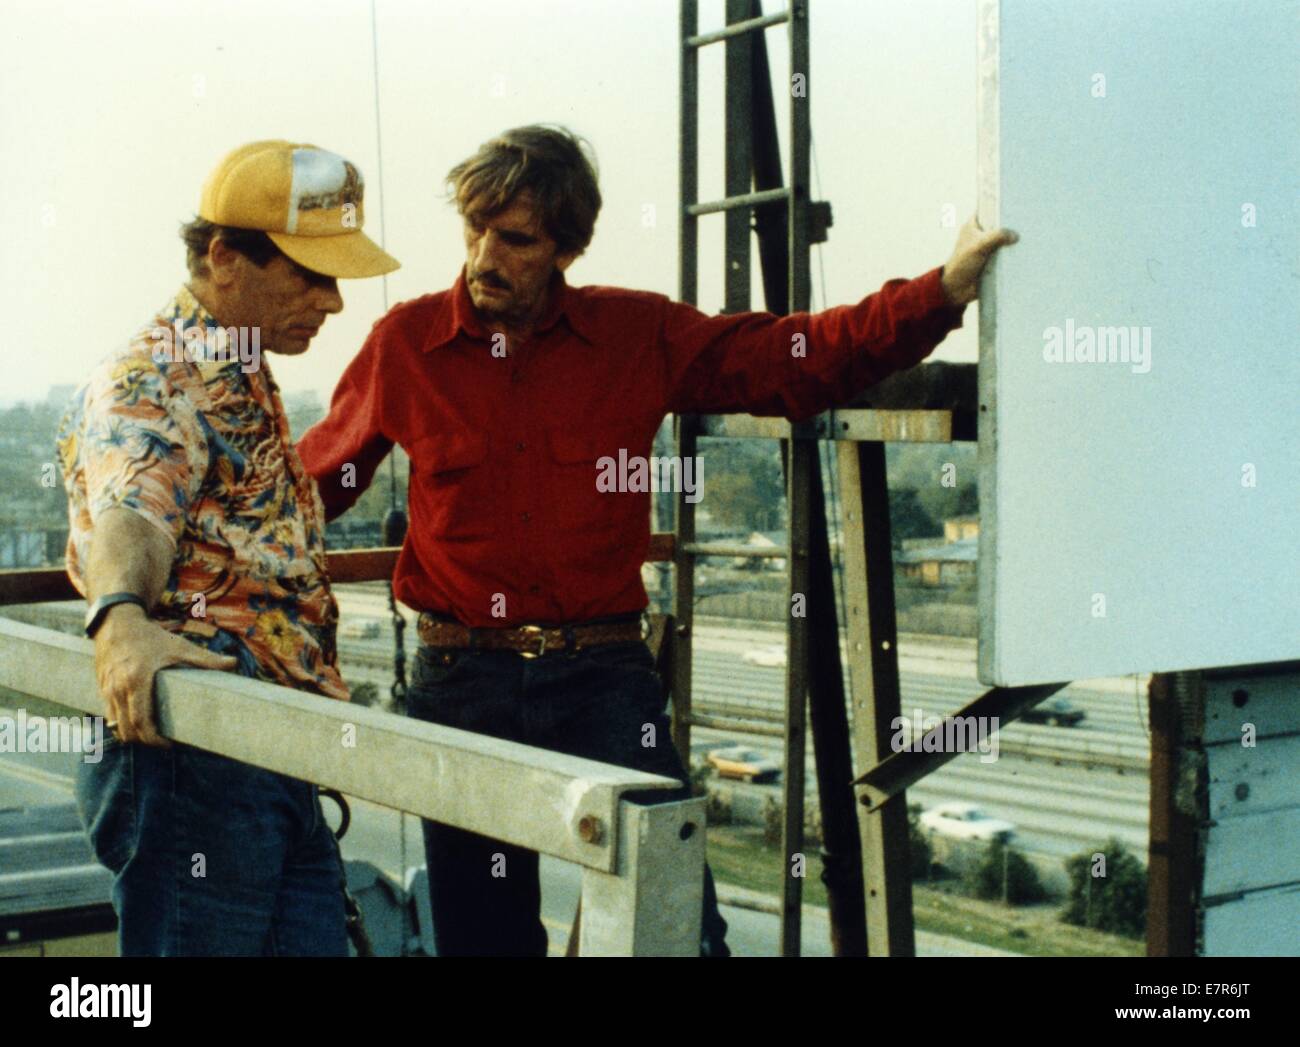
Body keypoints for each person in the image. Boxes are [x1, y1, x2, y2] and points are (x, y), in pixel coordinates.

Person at [297, 124, 1016, 957]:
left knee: (673, 928)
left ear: (566, 245)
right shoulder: (406, 347)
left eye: (515, 238)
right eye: (474, 228)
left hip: (603, 682)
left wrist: (941, 292)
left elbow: (793, 357)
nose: (483, 257)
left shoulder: (636, 337)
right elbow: (304, 491)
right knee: (483, 943)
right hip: (463, 686)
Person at [56, 140, 399, 956]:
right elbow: (130, 514)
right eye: (310, 276)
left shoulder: (243, 369)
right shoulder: (154, 377)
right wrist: (121, 616)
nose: (334, 302)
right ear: (224, 258)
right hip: (193, 759)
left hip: (262, 747)